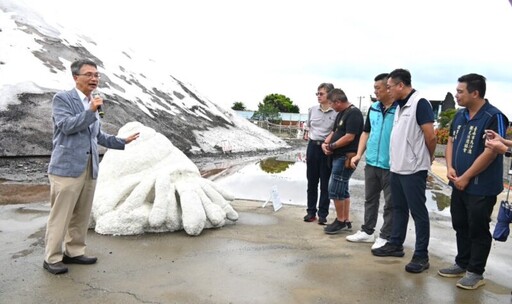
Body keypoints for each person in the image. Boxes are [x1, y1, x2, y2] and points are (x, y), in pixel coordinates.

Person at [43, 59, 140, 275]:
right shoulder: (63, 99)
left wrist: (121, 141)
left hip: (89, 166)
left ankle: (74, 252)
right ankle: (52, 258)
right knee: (61, 215)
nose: (94, 78)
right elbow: (66, 126)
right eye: (89, 74)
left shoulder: (92, 102)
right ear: (76, 77)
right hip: (66, 168)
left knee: (81, 214)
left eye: (96, 75)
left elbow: (96, 135)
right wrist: (89, 111)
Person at [438, 73, 508, 290]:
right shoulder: (459, 116)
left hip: (481, 185)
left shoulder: (493, 116)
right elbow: (450, 141)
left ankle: (476, 272)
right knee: (460, 223)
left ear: (475, 93)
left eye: (460, 91)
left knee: (477, 227)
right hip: (458, 182)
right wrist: (450, 168)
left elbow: (492, 151)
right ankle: (462, 262)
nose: (457, 95)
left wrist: (467, 177)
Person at [371, 69, 436, 275]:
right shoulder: (400, 106)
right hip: (397, 168)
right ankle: (395, 244)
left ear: (401, 86)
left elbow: (430, 136)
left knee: (418, 212)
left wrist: (427, 158)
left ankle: (421, 255)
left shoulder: (420, 103)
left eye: (389, 87)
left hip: (413, 169)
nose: (388, 90)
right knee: (398, 208)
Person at [346, 73, 396, 249]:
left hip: (391, 165)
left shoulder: (400, 109)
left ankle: (386, 235)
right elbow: (366, 132)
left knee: (390, 203)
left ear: (388, 88)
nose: (375, 91)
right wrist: (359, 154)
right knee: (370, 199)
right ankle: (367, 231)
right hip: (372, 162)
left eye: (378, 88)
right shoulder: (374, 108)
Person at [322, 89, 364, 234]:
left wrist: (332, 146)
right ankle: (345, 219)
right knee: (342, 189)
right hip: (337, 156)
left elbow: (349, 137)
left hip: (345, 156)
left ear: (338, 102)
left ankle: (340, 220)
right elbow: (334, 132)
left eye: (332, 104)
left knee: (335, 189)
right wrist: (325, 143)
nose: (332, 107)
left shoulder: (354, 113)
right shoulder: (341, 113)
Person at [303, 83, 337, 225]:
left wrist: (328, 145)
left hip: (327, 149)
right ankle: (311, 212)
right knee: (312, 182)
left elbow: (336, 131)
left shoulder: (336, 112)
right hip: (313, 147)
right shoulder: (312, 110)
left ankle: (323, 214)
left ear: (329, 94)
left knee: (325, 183)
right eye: (317, 93)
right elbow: (308, 127)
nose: (318, 96)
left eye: (321, 93)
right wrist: (306, 134)